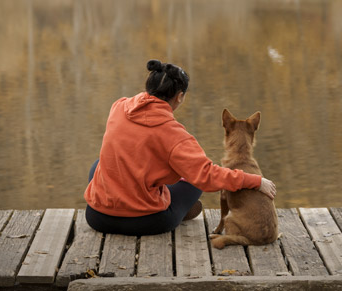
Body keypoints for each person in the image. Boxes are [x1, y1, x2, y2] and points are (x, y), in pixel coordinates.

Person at [84, 59, 277, 236]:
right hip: (145, 222)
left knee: (99, 165)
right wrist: (254, 181)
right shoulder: (175, 135)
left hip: (97, 216)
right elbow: (208, 177)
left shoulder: (119, 106)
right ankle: (177, 207)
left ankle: (158, 188)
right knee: (194, 182)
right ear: (179, 97)